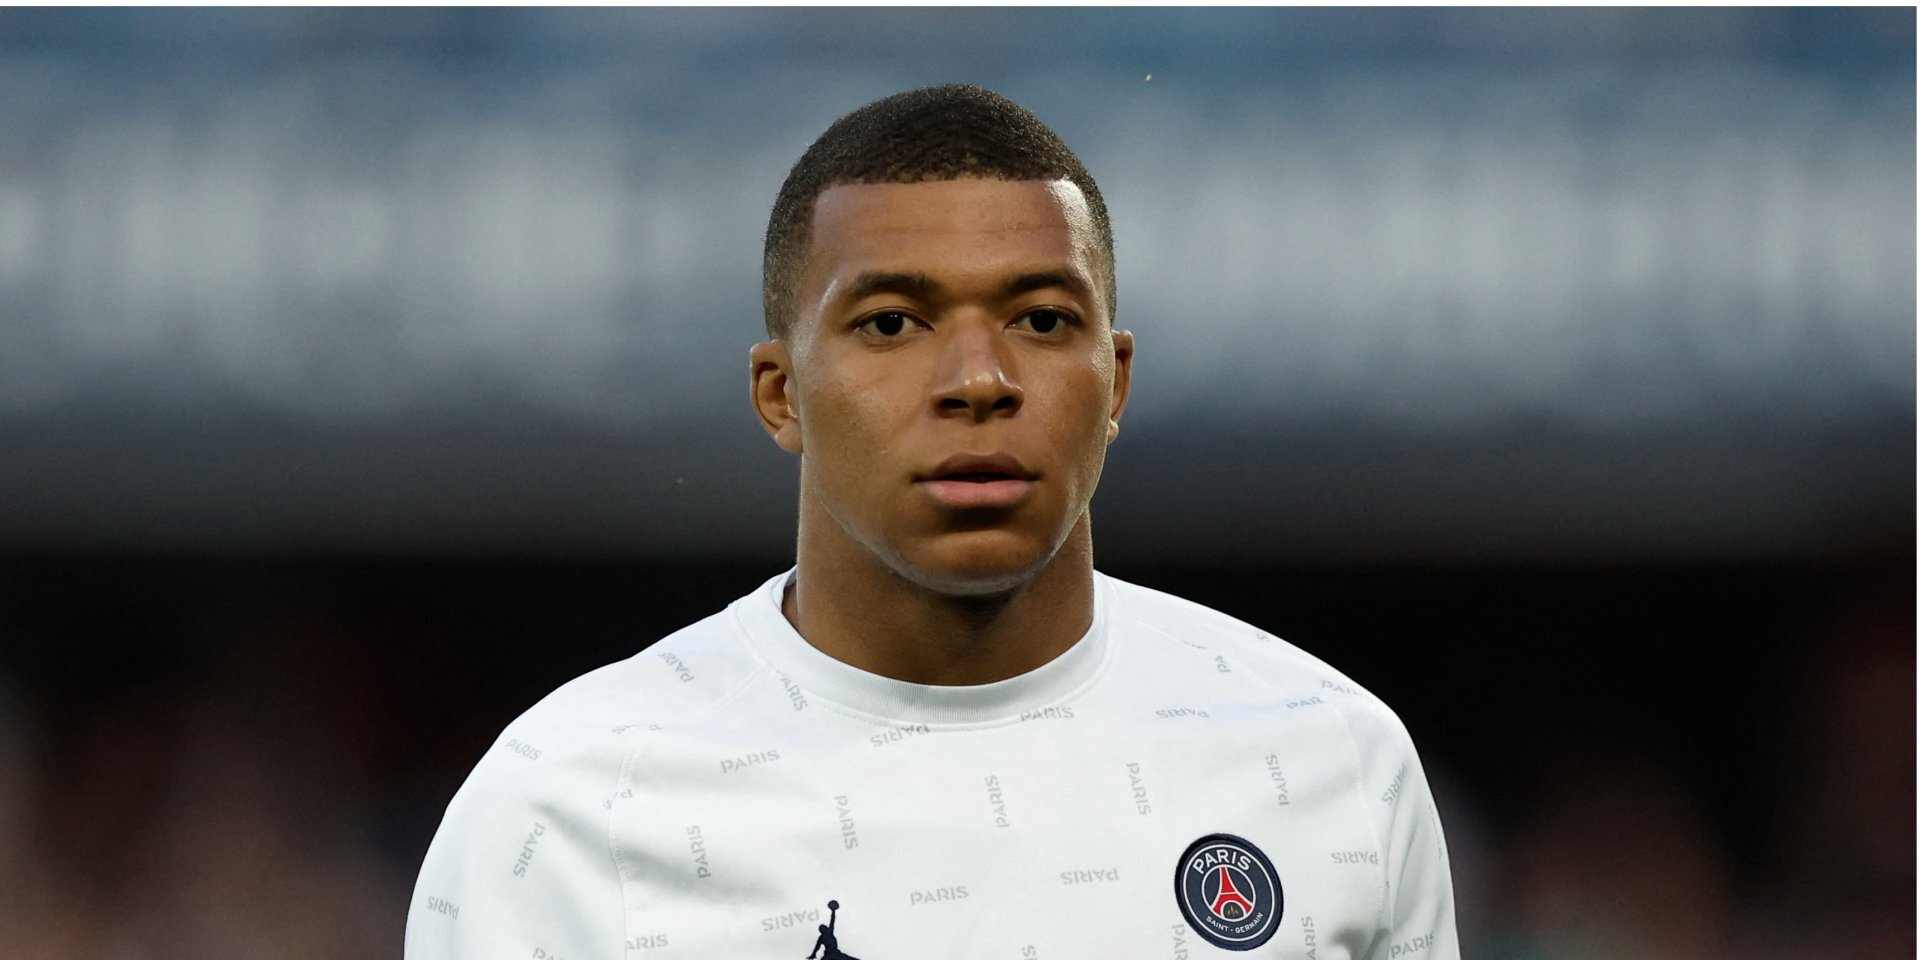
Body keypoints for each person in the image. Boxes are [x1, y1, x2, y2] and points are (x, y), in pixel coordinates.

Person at [405, 83, 1458, 960]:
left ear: (1117, 381)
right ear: (780, 395)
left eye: (1041, 319)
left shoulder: (1328, 759)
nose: (979, 380)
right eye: (892, 322)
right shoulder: (570, 805)